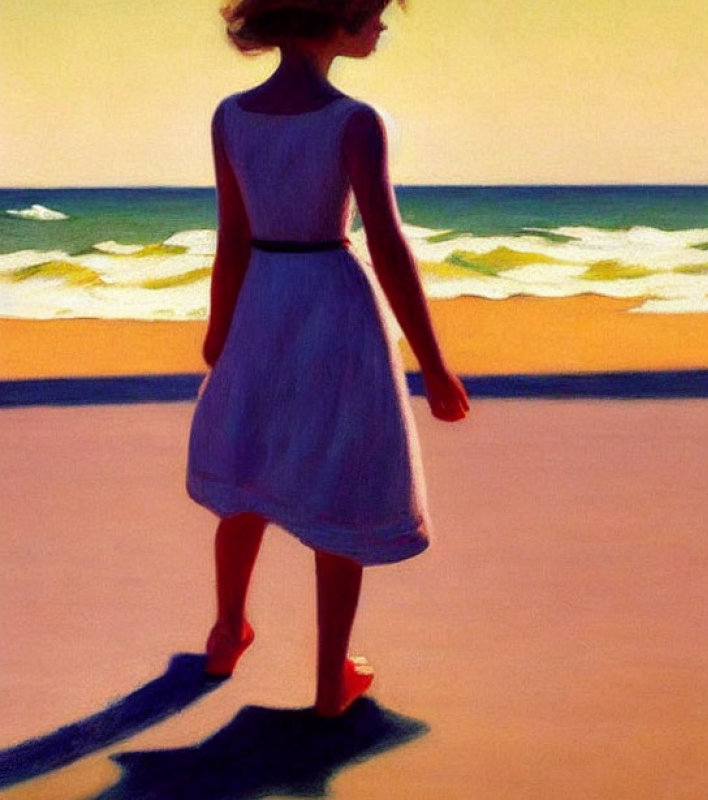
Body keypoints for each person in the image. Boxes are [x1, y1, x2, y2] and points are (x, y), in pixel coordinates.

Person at [186, 0, 469, 718]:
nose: (381, 27)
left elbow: (234, 236)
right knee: (336, 485)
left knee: (250, 472)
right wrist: (433, 364)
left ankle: (226, 632)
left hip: (263, 300)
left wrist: (221, 330)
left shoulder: (231, 116)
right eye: (373, 13)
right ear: (337, 18)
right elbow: (387, 245)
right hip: (332, 306)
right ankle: (327, 685)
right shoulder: (354, 120)